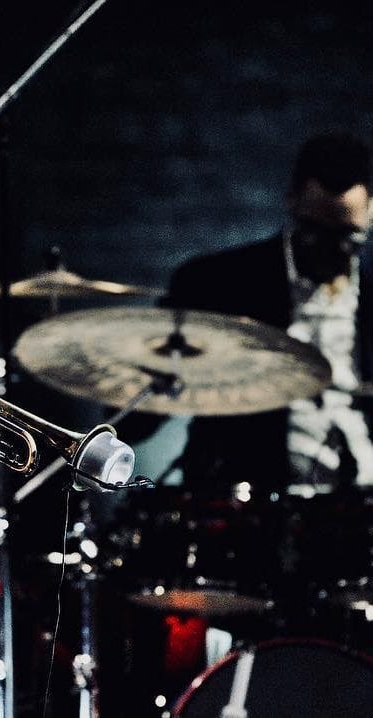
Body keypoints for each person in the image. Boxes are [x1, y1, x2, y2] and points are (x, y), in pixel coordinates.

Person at [160, 130, 373, 638]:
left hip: (361, 515)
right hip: (254, 516)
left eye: (349, 238)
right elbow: (142, 403)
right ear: (291, 201)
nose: (333, 252)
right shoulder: (219, 283)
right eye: (316, 234)